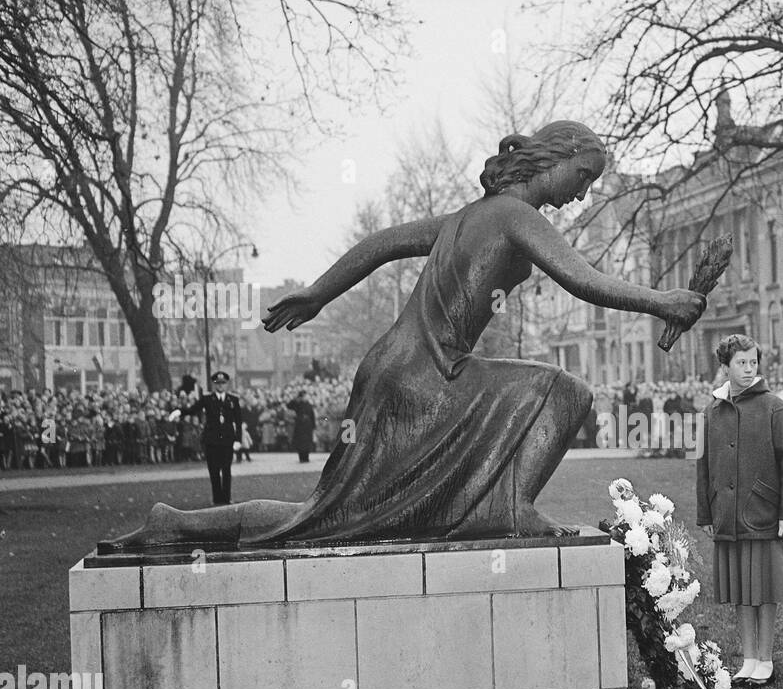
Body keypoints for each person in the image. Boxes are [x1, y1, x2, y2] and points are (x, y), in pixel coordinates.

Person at [106, 121, 704, 550]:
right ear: (555, 158)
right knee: (567, 393)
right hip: (429, 375)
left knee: (328, 515)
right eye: (583, 175)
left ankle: (174, 522)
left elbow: (384, 243)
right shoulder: (515, 215)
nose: (583, 191)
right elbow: (585, 281)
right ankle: (506, 508)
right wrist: (663, 301)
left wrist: (319, 293)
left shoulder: (472, 215)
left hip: (393, 369)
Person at [696, 334, 783, 688]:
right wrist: (706, 514)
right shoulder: (710, 411)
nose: (748, 368)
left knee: (765, 589)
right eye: (741, 362)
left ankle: (766, 659)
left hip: (764, 514)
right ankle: (749, 658)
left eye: (753, 362)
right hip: (726, 514)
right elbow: (702, 466)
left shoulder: (775, 407)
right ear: (725, 367)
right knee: (741, 588)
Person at [182, 371, 243, 506]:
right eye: (218, 383)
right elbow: (193, 410)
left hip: (227, 440)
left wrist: (238, 439)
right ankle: (217, 498)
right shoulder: (207, 399)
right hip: (212, 440)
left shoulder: (233, 400)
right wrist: (179, 411)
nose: (220, 386)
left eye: (223, 383)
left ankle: (226, 498)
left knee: (226, 470)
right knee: (214, 470)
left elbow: (238, 421)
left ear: (226, 384)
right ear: (214, 384)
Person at [289, 390, 316, 463]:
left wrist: (313, 426)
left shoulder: (309, 405)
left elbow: (312, 416)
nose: (306, 397)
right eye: (304, 396)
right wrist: (296, 398)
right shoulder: (297, 404)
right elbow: (289, 405)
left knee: (307, 444)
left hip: (308, 427)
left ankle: (306, 457)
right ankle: (301, 458)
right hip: (300, 426)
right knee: (300, 444)